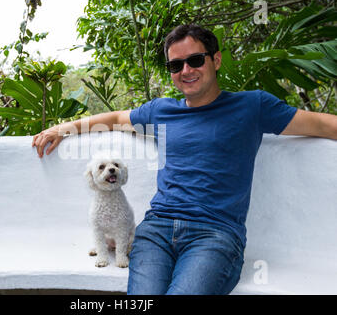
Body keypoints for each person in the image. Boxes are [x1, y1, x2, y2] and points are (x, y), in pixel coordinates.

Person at [31, 24, 337, 295]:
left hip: (215, 234)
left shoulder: (252, 106)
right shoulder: (161, 111)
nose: (186, 71)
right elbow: (114, 118)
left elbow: (321, 124)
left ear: (215, 60)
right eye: (176, 65)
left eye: (194, 60)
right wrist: (63, 128)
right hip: (156, 230)